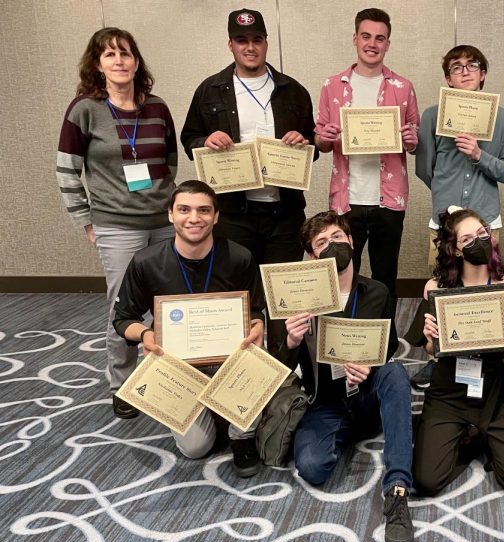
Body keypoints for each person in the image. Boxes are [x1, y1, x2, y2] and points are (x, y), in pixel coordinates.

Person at [57, 27, 178, 420]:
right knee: (123, 307)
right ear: (97, 64)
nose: (119, 61)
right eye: (110, 55)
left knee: (169, 303)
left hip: (162, 222)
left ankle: (170, 376)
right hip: (117, 225)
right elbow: (67, 171)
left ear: (137, 61)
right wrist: (86, 221)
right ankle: (124, 384)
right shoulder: (84, 110)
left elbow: (170, 162)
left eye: (125, 54)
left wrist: (170, 208)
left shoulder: (157, 107)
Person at [180, 8, 316, 355]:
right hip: (234, 214)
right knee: (236, 295)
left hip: (283, 215)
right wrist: (205, 143)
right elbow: (190, 138)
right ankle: (238, 370)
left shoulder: (293, 91)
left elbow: (313, 146)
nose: (250, 47)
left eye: (257, 40)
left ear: (266, 43)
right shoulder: (210, 90)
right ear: (230, 45)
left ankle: (280, 373)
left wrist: (304, 143)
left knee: (281, 300)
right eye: (242, 41)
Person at [276, 211, 414, 542]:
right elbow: (278, 368)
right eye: (321, 242)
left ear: (351, 242)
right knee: (312, 467)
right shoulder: (298, 298)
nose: (332, 245)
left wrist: (369, 365)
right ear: (312, 256)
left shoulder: (377, 292)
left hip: (367, 395)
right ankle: (345, 434)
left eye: (338, 237)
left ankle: (397, 490)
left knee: (395, 372)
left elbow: (390, 346)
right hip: (326, 401)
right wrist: (292, 341)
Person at [113, 180, 268, 477]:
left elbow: (257, 309)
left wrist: (258, 325)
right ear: (171, 214)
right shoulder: (146, 262)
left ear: (216, 216)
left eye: (203, 210)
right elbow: (122, 319)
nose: (194, 218)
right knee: (195, 448)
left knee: (258, 346)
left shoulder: (239, 257)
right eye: (184, 209)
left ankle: (242, 437)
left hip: (228, 360)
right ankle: (211, 410)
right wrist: (145, 334)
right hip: (177, 364)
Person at [405, 207, 504, 498]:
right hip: (448, 391)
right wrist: (432, 338)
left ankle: (478, 435)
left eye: (482, 234)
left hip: (493, 391)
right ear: (454, 250)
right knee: (427, 481)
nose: (478, 241)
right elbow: (431, 351)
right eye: (467, 239)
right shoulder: (437, 289)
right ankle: (468, 436)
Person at [411, 44, 504, 389]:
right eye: (457, 67)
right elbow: (426, 170)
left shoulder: (502, 118)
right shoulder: (431, 117)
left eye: (473, 65)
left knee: (483, 293)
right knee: (442, 291)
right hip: (443, 225)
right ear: (448, 79)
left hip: (486, 222)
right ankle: (437, 355)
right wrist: (448, 205)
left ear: (483, 74)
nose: (466, 71)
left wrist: (478, 155)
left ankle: (484, 356)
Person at [315, 7, 420, 310]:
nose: (372, 43)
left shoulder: (403, 87)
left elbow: (413, 139)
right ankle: (348, 336)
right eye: (366, 36)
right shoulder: (332, 86)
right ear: (355, 39)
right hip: (346, 199)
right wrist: (327, 137)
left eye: (380, 38)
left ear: (388, 44)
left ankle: (385, 341)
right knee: (344, 272)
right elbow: (320, 141)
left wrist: (412, 140)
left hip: (389, 198)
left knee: (386, 274)